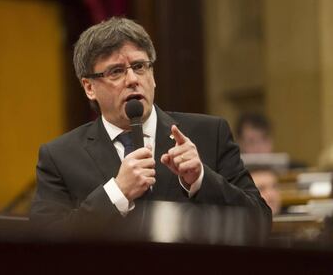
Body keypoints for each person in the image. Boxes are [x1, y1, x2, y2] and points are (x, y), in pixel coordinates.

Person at [30, 17, 271, 240]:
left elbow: (259, 223)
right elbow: (45, 243)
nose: (133, 79)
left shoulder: (209, 133)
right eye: (116, 71)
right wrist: (117, 193)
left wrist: (200, 179)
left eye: (139, 66)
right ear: (89, 87)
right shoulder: (59, 157)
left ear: (152, 75)